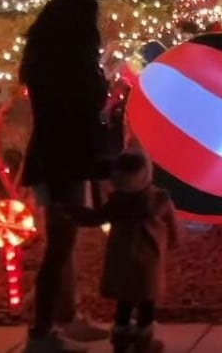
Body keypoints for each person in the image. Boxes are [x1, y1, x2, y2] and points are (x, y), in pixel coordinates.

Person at [20, 0, 114, 351]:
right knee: (59, 249)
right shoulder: (68, 65)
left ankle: (64, 317)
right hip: (63, 163)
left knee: (64, 247)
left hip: (58, 160)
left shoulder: (48, 58)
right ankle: (42, 332)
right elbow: (72, 118)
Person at [66, 149, 178, 353]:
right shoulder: (160, 199)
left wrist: (71, 211)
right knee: (147, 303)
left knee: (124, 304)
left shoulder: (117, 204)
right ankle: (144, 342)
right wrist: (173, 241)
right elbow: (172, 226)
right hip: (149, 261)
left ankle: (121, 340)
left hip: (122, 261)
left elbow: (94, 218)